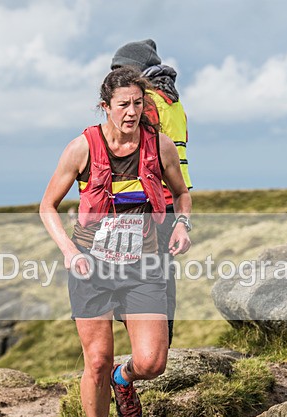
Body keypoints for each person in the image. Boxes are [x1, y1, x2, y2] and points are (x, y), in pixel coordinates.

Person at [40, 68, 192, 417]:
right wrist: (69, 251)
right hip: (91, 267)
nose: (132, 112)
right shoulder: (82, 148)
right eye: (123, 104)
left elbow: (181, 193)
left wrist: (183, 224)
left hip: (143, 265)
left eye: (138, 103)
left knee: (152, 363)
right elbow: (48, 206)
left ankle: (123, 378)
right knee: (97, 361)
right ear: (105, 106)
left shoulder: (160, 146)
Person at [111, 39, 193, 347]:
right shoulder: (174, 102)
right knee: (162, 276)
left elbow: (131, 148)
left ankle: (149, 351)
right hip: (172, 201)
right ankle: (160, 346)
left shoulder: (145, 102)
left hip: (147, 202)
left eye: (121, 69)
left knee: (133, 278)